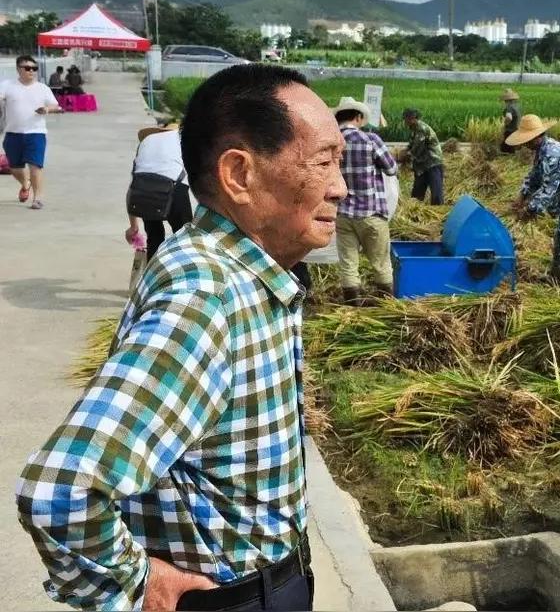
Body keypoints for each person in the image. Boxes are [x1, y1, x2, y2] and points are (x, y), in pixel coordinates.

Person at [16, 64, 347, 611]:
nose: (340, 185)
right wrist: (138, 582)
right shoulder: (208, 295)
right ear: (239, 174)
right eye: (323, 162)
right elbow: (62, 491)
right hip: (229, 598)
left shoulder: (244, 272)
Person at [508, 114, 560, 294]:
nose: (524, 144)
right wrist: (521, 197)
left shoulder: (553, 154)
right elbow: (533, 177)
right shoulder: (541, 152)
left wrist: (529, 211)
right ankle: (555, 277)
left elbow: (547, 190)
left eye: (527, 140)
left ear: (537, 136)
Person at [333, 96, 398, 306]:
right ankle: (386, 307)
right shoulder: (370, 139)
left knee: (349, 264)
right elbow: (391, 168)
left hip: (342, 214)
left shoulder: (333, 143)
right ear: (358, 117)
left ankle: (352, 309)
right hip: (371, 213)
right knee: (381, 263)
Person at [0, 55, 64, 210]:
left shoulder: (43, 88)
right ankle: (25, 183)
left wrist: (47, 109)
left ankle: (37, 198)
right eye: (27, 68)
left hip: (36, 132)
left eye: (34, 68)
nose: (31, 71)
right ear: (18, 69)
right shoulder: (7, 85)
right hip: (13, 133)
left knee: (35, 166)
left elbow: (57, 106)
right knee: (15, 168)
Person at [124, 122, 192, 261]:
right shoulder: (181, 137)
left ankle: (153, 280)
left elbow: (133, 187)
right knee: (185, 240)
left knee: (154, 237)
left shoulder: (145, 142)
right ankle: (185, 277)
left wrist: (133, 227)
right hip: (174, 187)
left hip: (144, 190)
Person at [398, 107, 444, 205]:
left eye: (407, 119)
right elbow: (411, 146)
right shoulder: (414, 129)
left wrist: (403, 157)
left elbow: (416, 150)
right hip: (422, 164)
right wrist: (404, 151)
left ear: (413, 118)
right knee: (417, 191)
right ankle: (415, 209)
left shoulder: (421, 128)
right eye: (405, 119)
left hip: (432, 162)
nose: (405, 121)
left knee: (436, 191)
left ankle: (438, 211)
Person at [500, 88, 522, 154]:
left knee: (506, 146)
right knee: (513, 144)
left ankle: (508, 158)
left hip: (511, 129)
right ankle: (513, 157)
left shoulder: (509, 107)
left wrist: (505, 124)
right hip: (517, 128)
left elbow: (509, 117)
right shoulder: (517, 106)